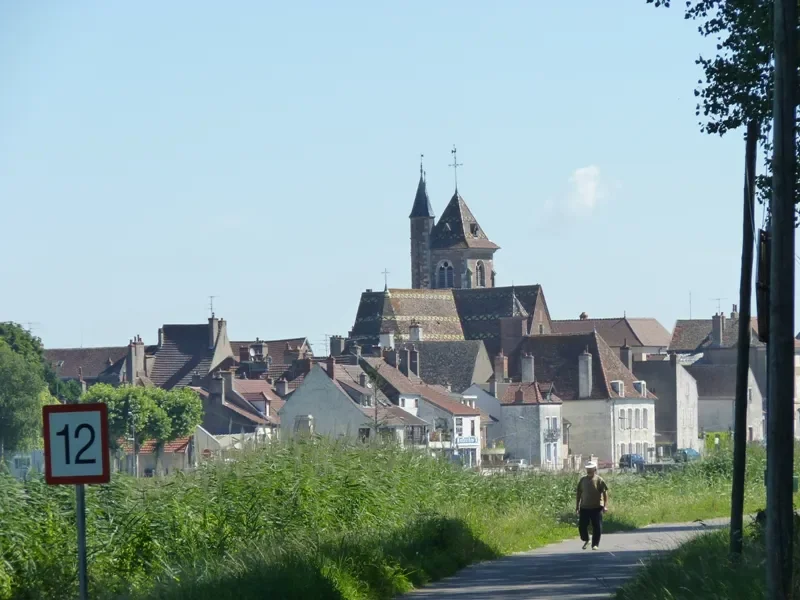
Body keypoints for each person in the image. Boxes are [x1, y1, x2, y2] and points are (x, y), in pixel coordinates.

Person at [575, 461, 608, 550]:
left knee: (597, 526)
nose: (589, 470)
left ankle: (595, 544)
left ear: (595, 469)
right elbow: (578, 493)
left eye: (591, 469)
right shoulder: (582, 480)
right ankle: (586, 539)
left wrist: (605, 506)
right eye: (588, 469)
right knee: (582, 526)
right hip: (584, 506)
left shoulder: (599, 480)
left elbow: (605, 493)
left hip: (597, 507)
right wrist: (577, 507)